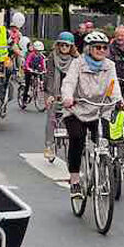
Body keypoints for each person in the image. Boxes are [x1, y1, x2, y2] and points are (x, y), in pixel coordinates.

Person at [61, 31, 122, 198]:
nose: (101, 50)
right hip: (77, 108)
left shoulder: (110, 65)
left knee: (104, 140)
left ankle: (101, 168)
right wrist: (67, 97)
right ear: (88, 49)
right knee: (77, 138)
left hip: (99, 110)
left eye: (104, 47)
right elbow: (69, 82)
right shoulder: (77, 64)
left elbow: (113, 85)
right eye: (97, 47)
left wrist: (119, 100)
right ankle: (74, 181)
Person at [43, 31, 79, 160]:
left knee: (72, 119)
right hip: (54, 91)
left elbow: (77, 79)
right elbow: (50, 76)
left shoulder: (76, 60)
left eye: (67, 45)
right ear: (58, 45)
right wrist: (51, 95)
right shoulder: (53, 57)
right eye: (62, 45)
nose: (64, 47)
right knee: (52, 118)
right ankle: (49, 146)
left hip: (70, 92)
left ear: (71, 47)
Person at [22, 40, 46, 104]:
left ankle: (37, 86)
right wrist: (28, 68)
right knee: (27, 85)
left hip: (35, 70)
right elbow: (27, 62)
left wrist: (44, 70)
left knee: (39, 74)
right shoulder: (31, 55)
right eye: (38, 51)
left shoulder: (40, 56)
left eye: (40, 51)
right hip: (28, 70)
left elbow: (42, 64)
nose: (39, 52)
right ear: (35, 50)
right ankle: (24, 99)